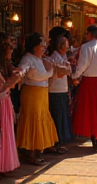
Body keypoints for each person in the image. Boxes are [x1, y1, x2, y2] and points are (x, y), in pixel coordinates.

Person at [17, 33, 58, 166]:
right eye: (42, 45)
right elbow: (24, 70)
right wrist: (20, 72)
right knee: (33, 120)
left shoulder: (41, 59)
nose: (44, 47)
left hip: (41, 94)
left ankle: (37, 150)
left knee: (41, 119)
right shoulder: (28, 59)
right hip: (32, 94)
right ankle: (31, 152)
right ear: (34, 46)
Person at [48, 35, 73, 153]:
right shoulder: (54, 57)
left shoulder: (63, 57)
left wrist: (66, 69)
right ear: (60, 46)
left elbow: (68, 70)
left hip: (62, 90)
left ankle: (60, 142)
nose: (67, 48)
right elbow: (59, 72)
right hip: (55, 91)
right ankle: (55, 143)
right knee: (57, 117)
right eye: (66, 45)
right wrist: (66, 69)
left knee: (62, 117)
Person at [0, 41, 21, 173]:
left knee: (6, 133)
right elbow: (5, 86)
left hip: (5, 103)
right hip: (2, 102)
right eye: (9, 50)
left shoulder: (6, 66)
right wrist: (14, 79)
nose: (11, 52)